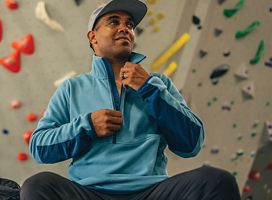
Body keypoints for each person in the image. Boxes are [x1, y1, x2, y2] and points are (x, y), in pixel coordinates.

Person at [21, 0, 241, 199]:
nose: (124, 28)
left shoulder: (159, 83)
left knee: (217, 181)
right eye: (114, 22)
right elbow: (40, 147)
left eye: (130, 24)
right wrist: (87, 126)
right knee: (37, 186)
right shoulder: (72, 88)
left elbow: (191, 143)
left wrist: (150, 89)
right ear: (93, 37)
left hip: (152, 191)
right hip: (90, 192)